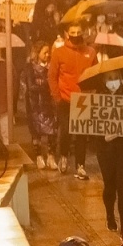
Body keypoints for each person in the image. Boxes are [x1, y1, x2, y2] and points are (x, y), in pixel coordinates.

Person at [48, 23, 96, 177]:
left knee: (81, 134)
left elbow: (95, 74)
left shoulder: (90, 52)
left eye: (78, 32)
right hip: (65, 99)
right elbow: (52, 76)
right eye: (73, 32)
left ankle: (80, 165)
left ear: (83, 32)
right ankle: (63, 156)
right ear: (67, 34)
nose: (76, 35)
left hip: (83, 99)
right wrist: (57, 97)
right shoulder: (59, 52)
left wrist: (92, 93)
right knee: (66, 131)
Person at [93, 73, 123, 231]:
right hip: (105, 151)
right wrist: (104, 136)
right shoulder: (97, 99)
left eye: (115, 79)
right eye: (109, 80)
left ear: (121, 79)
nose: (113, 83)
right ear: (104, 81)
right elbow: (91, 125)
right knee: (109, 184)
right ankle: (110, 216)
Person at [19, 43, 57, 169]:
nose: (47, 55)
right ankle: (39, 156)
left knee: (52, 131)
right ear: (37, 53)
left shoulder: (51, 67)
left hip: (49, 104)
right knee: (36, 132)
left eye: (48, 52)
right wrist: (46, 84)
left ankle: (51, 156)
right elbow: (30, 86)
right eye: (45, 52)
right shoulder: (29, 68)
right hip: (34, 105)